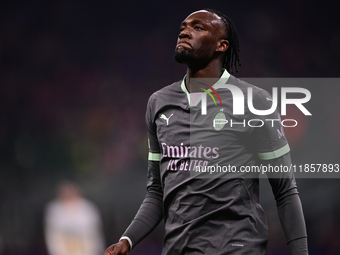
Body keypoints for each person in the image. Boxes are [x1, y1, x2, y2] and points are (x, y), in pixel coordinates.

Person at [105, 9, 308, 255]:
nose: (184, 31)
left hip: (237, 247)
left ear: (222, 45)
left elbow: (285, 190)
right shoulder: (159, 103)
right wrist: (128, 239)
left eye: (198, 27)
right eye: (183, 26)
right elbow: (157, 192)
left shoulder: (254, 101)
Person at [45, 181, 105, 255]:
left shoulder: (88, 207)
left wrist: (96, 249)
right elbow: (53, 234)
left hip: (86, 248)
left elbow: (94, 231)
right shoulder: (55, 209)